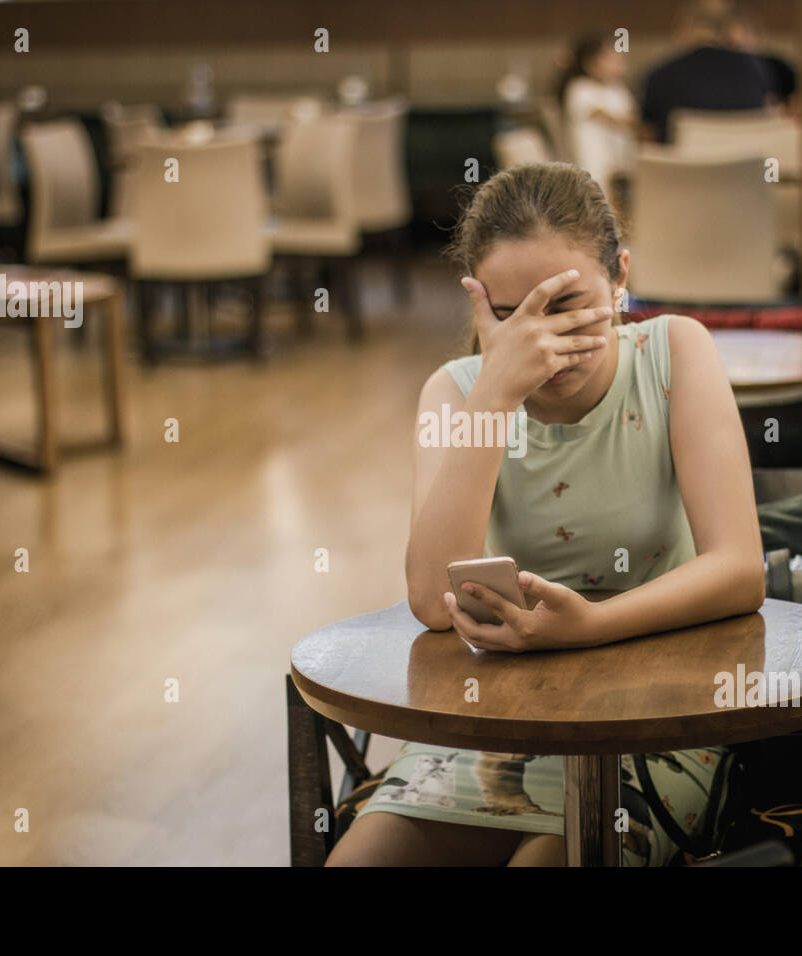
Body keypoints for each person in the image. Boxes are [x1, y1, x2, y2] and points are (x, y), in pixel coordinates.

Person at [325, 163, 765, 867]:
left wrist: (588, 627)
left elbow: (741, 570)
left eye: (568, 307)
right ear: (477, 300)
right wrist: (495, 394)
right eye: (511, 315)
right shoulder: (454, 394)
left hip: (653, 716)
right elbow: (431, 603)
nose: (543, 343)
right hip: (497, 719)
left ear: (620, 275)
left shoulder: (676, 352)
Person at [640, 0, 775, 142]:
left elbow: (647, 135)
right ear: (725, 30)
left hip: (682, 163)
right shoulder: (755, 69)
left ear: (685, 27)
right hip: (746, 162)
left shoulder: (660, 76)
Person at [556, 35, 638, 202]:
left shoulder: (618, 88)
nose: (618, 62)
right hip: (595, 159)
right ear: (591, 63)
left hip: (621, 157)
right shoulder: (580, 89)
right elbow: (610, 119)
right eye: (610, 58)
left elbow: (631, 116)